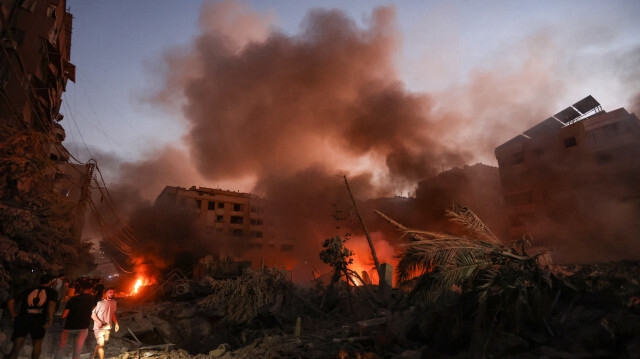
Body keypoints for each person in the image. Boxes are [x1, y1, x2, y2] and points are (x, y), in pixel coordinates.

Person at [6, 274, 58, 359]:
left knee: (17, 347)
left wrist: (13, 314)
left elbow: (11, 301)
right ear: (50, 282)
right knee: (37, 345)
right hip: (38, 320)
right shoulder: (51, 292)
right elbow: (51, 305)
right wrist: (50, 319)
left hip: (23, 319)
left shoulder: (28, 290)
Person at [54, 281, 96, 359]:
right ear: (91, 289)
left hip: (69, 327)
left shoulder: (73, 299)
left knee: (61, 348)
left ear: (80, 289)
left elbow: (64, 316)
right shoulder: (92, 299)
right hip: (83, 328)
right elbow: (93, 310)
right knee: (77, 353)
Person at [90, 287, 118, 359]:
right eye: (110, 292)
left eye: (113, 292)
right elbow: (93, 314)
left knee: (101, 344)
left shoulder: (114, 303)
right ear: (106, 294)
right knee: (101, 344)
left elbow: (112, 313)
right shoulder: (100, 303)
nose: (112, 294)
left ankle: (93, 356)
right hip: (99, 327)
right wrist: (99, 322)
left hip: (108, 327)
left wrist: (116, 323)